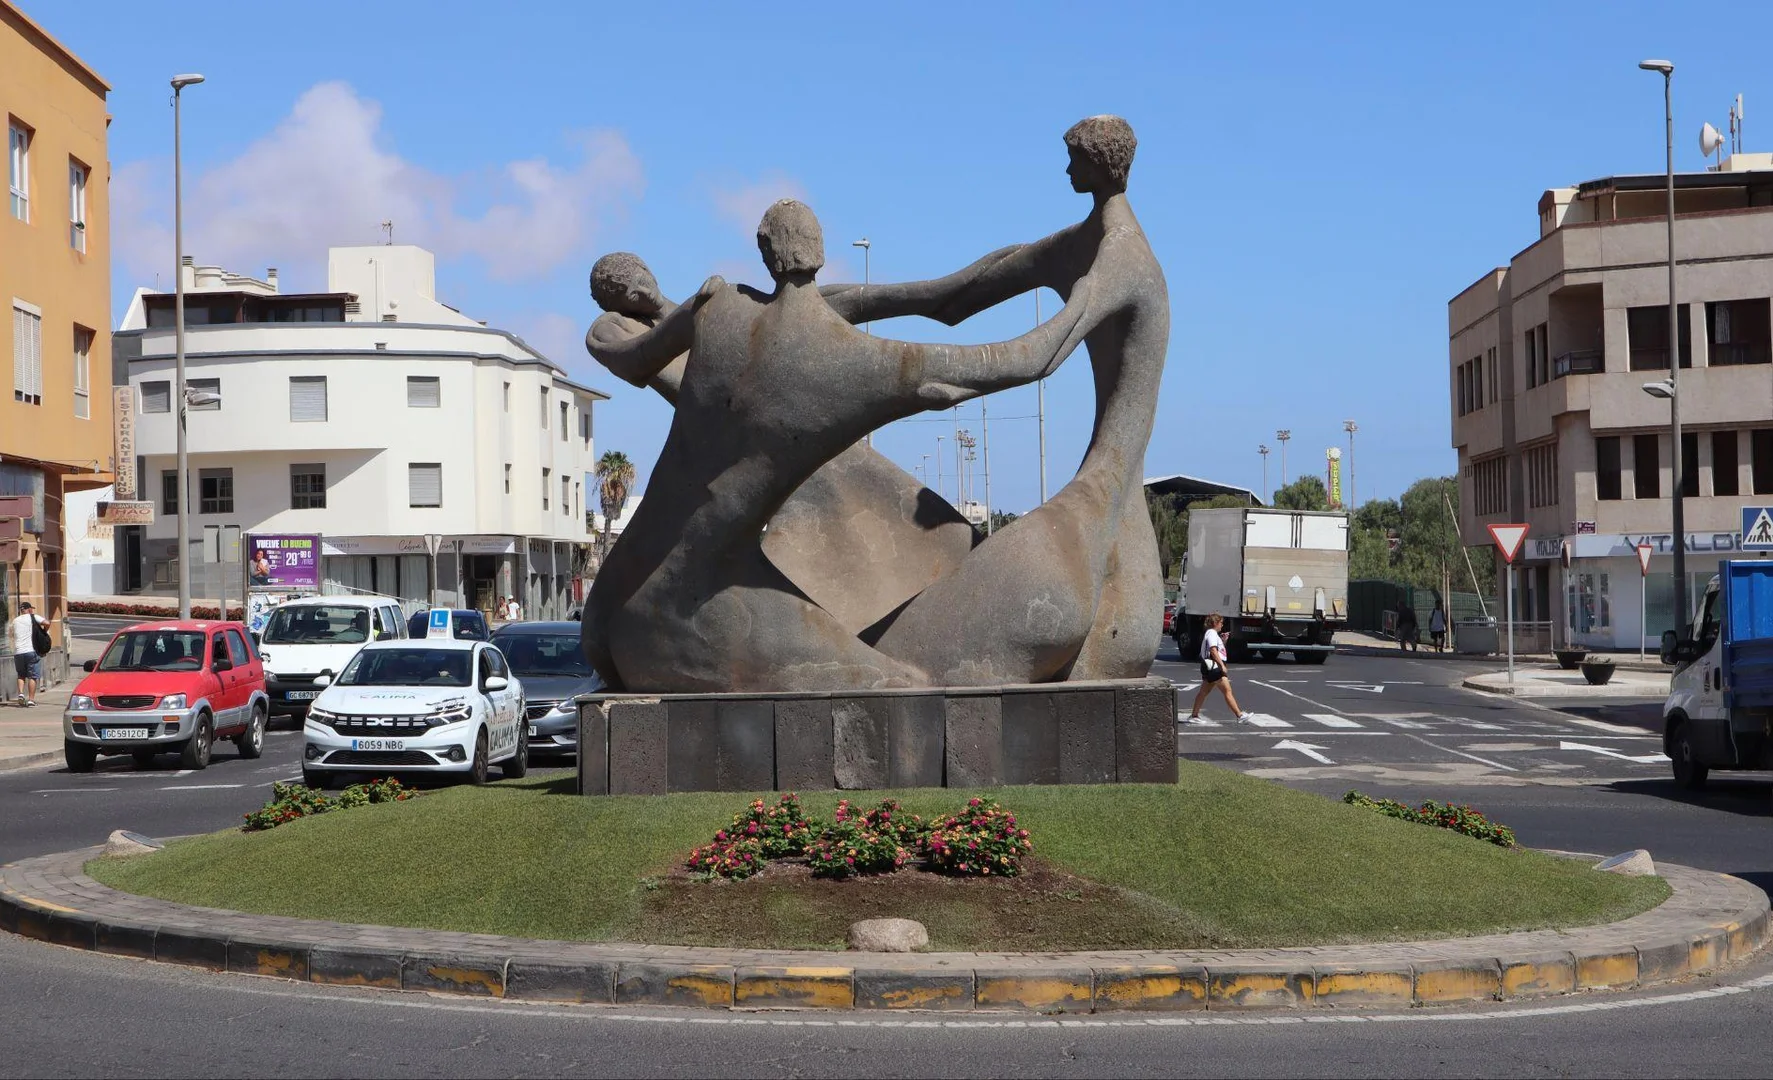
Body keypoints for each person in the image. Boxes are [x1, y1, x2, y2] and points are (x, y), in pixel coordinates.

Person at [582, 198, 1094, 693]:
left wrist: (674, 312)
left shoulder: (717, 309)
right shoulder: (849, 359)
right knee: (905, 684)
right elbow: (1026, 360)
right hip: (686, 617)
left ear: (764, 251)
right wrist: (1092, 299)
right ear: (820, 255)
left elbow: (635, 359)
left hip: (619, 600)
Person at [1187, 613, 1250, 723]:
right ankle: (1239, 715)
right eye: (1221, 623)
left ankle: (1194, 715)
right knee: (1227, 691)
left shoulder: (1212, 634)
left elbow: (1218, 650)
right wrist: (1221, 666)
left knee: (1203, 692)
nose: (1222, 625)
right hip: (1214, 667)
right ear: (1215, 623)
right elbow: (1213, 650)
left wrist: (1223, 640)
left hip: (1209, 666)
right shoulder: (1211, 633)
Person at [11, 602, 47, 707]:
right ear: (29, 609)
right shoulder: (33, 617)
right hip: (31, 651)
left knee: (21, 675)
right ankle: (31, 700)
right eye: (31, 609)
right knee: (33, 676)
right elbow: (47, 622)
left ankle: (21, 694)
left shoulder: (15, 620)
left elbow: (12, 634)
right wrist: (44, 632)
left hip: (18, 652)